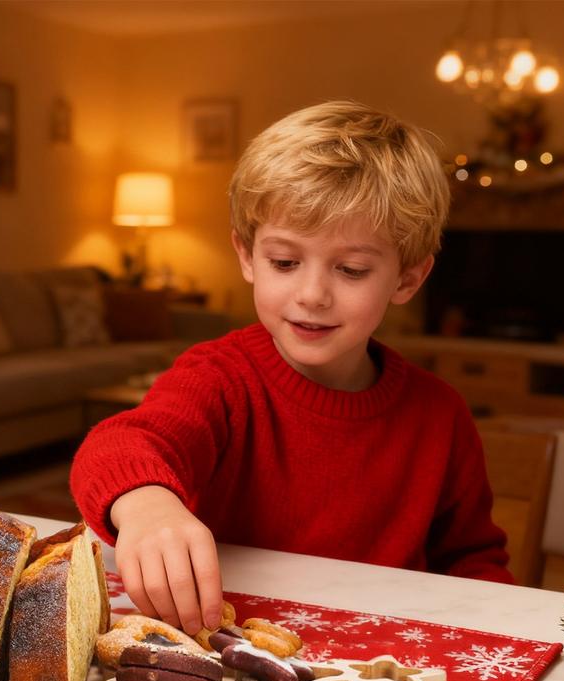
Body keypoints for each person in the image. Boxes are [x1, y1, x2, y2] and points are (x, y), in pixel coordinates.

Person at [70, 99, 512, 638]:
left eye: (350, 270)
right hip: (233, 653)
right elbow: (123, 443)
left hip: (383, 658)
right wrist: (148, 505)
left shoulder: (439, 415)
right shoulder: (219, 377)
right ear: (247, 257)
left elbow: (473, 562)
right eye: (284, 262)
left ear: (407, 280)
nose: (311, 295)